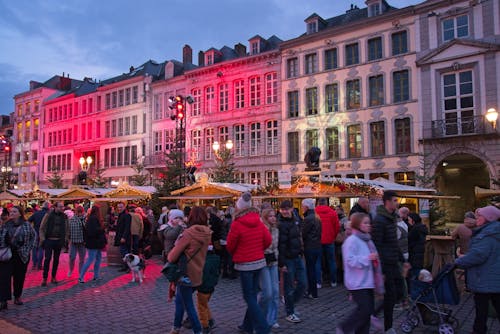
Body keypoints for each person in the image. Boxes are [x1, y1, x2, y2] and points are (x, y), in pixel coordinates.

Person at [227, 192, 272, 334]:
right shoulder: (258, 221)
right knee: (252, 295)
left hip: (245, 264)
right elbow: (268, 240)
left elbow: (230, 245)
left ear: (239, 208)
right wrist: (259, 250)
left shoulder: (237, 223)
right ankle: (247, 327)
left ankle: (262, 328)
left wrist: (237, 253)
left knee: (249, 297)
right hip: (259, 262)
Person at [454, 205, 500, 334]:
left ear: (488, 218)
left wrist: (458, 261)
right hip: (493, 277)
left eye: (480, 216)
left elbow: (478, 256)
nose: (476, 218)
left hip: (484, 277)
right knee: (494, 303)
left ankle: (478, 331)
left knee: (481, 308)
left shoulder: (487, 235)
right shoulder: (494, 232)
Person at [168, 206, 212, 334]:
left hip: (185, 273)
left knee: (188, 305)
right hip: (198, 272)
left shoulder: (188, 233)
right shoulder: (207, 233)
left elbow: (172, 256)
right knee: (180, 300)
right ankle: (176, 327)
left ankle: (198, 330)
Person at [337, 213, 383, 334]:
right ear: (357, 224)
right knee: (365, 310)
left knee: (366, 315)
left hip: (368, 281)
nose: (368, 225)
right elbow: (350, 260)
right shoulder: (352, 241)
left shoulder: (367, 239)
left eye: (369, 222)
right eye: (365, 223)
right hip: (356, 282)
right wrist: (368, 258)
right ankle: (344, 328)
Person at [371, 190, 408, 333]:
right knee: (390, 295)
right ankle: (388, 327)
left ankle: (375, 313)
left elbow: (394, 243)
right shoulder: (380, 220)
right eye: (394, 200)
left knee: (399, 293)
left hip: (393, 262)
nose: (397, 203)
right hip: (386, 264)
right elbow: (377, 245)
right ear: (387, 202)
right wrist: (380, 269)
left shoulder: (392, 218)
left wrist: (403, 259)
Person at [278, 199, 307, 324]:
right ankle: (290, 312)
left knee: (302, 283)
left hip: (297, 256)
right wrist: (282, 263)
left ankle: (291, 305)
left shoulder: (296, 219)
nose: (285, 211)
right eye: (283, 209)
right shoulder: (280, 223)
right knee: (289, 287)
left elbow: (299, 237)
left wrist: (301, 251)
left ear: (291, 209)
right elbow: (280, 245)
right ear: (280, 210)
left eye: (287, 209)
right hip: (288, 259)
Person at [3, 206, 36, 307]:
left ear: (20, 213)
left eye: (14, 211)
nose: (12, 213)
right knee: (5, 277)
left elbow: (33, 237)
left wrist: (28, 248)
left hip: (22, 255)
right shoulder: (6, 225)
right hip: (8, 254)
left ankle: (17, 296)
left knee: (19, 277)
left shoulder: (26, 225)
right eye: (11, 212)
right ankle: (4, 299)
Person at [39, 201, 69, 286]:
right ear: (55, 207)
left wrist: (65, 239)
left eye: (62, 207)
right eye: (60, 207)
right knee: (47, 259)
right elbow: (42, 227)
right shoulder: (48, 215)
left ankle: (53, 277)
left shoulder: (64, 217)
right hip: (49, 240)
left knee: (56, 260)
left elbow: (67, 229)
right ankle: (44, 278)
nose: (62, 208)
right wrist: (43, 239)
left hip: (58, 240)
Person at [259, 207, 280, 329]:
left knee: (275, 292)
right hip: (264, 262)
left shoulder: (276, 229)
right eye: (270, 216)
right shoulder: (262, 229)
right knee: (267, 293)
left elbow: (277, 247)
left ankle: (272, 319)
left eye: (274, 215)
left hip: (274, 262)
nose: (273, 218)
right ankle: (261, 316)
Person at [315, 197, 340, 288]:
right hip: (329, 240)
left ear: (318, 203)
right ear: (326, 203)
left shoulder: (314, 212)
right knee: (332, 261)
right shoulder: (332, 213)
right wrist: (333, 236)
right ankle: (333, 281)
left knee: (317, 261)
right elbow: (337, 227)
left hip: (317, 240)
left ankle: (318, 282)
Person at [79, 205, 106, 283]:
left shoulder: (91, 218)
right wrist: (102, 229)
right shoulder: (94, 219)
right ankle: (81, 277)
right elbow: (93, 231)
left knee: (97, 259)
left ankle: (96, 276)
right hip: (94, 242)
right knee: (91, 259)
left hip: (94, 242)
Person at [301, 198, 322, 299]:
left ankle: (312, 292)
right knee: (312, 269)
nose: (302, 208)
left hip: (310, 247)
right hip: (317, 246)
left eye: (302, 206)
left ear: (306, 207)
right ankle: (313, 292)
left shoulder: (308, 218)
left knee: (310, 270)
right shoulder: (317, 216)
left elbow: (303, 233)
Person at [28, 201, 50, 270]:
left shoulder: (36, 213)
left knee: (34, 249)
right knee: (41, 248)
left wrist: (31, 229)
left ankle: (34, 264)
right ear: (48, 207)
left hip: (35, 232)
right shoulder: (49, 214)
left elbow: (28, 221)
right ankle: (39, 265)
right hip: (44, 233)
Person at [67, 206, 86, 278]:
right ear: (76, 212)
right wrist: (68, 239)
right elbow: (68, 230)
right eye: (79, 212)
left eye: (81, 212)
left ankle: (80, 273)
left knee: (82, 259)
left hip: (82, 242)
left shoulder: (85, 219)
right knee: (72, 257)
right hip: (73, 242)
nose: (80, 214)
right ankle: (71, 269)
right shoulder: (71, 220)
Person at [407, 212, 428, 278]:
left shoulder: (415, 229)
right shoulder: (421, 228)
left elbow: (409, 240)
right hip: (420, 254)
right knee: (418, 272)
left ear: (413, 220)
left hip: (414, 254)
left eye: (409, 220)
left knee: (414, 273)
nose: (408, 222)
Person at [115, 202, 131, 272]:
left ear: (124, 207)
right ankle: (125, 266)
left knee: (125, 252)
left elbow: (127, 227)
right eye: (118, 207)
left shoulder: (127, 215)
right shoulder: (120, 215)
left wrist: (124, 237)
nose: (119, 208)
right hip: (120, 236)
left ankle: (128, 267)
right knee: (123, 252)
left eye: (121, 207)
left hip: (125, 237)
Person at [0, 208, 10, 310]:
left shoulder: (5, 230)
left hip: (4, 257)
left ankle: (3, 301)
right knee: (4, 280)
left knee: (4, 279)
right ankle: (3, 301)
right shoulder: (5, 229)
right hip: (5, 256)